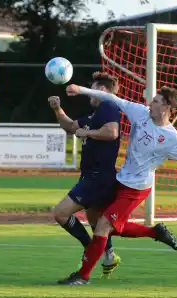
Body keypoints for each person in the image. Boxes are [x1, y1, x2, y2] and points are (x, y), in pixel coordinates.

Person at [56, 83, 177, 285]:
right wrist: (81, 90)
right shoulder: (140, 112)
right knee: (110, 226)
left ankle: (82, 275)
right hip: (121, 179)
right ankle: (155, 232)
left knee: (102, 225)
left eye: (156, 101)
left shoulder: (173, 138)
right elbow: (111, 97)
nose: (150, 103)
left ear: (167, 108)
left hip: (137, 188)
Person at [49, 72, 122, 278]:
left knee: (60, 213)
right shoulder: (95, 114)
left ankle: (91, 247)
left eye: (92, 88)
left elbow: (112, 132)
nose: (88, 92)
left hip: (97, 177)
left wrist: (87, 133)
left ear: (102, 91)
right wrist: (57, 108)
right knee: (96, 220)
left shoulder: (108, 106)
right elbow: (70, 127)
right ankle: (108, 254)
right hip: (94, 176)